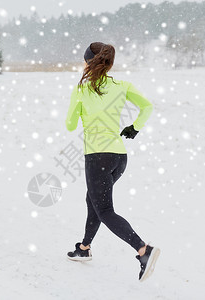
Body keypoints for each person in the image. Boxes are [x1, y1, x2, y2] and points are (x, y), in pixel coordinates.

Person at [64, 42, 160, 282]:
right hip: (119, 157)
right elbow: (147, 106)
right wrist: (134, 128)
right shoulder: (122, 85)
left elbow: (70, 124)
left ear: (89, 62)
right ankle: (84, 248)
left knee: (105, 210)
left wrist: (78, 107)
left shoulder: (82, 89)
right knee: (94, 200)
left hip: (97, 158)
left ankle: (143, 250)